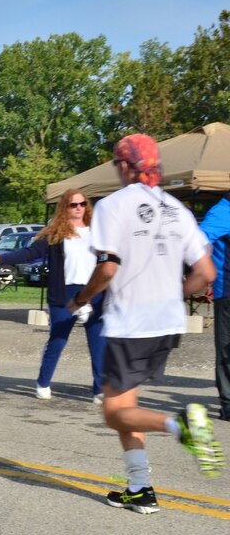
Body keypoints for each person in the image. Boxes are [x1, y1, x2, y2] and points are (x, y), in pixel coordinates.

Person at [68, 133, 224, 514]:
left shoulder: (112, 205)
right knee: (128, 405)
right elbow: (206, 271)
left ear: (124, 166)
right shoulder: (177, 209)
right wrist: (174, 294)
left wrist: (81, 298)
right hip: (169, 323)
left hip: (131, 322)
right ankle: (140, 488)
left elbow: (107, 268)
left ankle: (181, 425)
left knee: (112, 411)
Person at [0, 189, 105, 402]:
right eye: (73, 204)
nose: (78, 208)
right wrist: (0, 258)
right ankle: (43, 382)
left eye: (82, 204)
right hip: (64, 292)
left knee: (99, 342)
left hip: (93, 291)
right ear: (64, 207)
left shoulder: (99, 232)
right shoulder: (55, 234)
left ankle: (100, 389)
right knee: (57, 340)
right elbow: (29, 254)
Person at [199, 193, 230, 420]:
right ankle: (228, 403)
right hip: (227, 291)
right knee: (226, 347)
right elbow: (198, 241)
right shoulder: (222, 212)